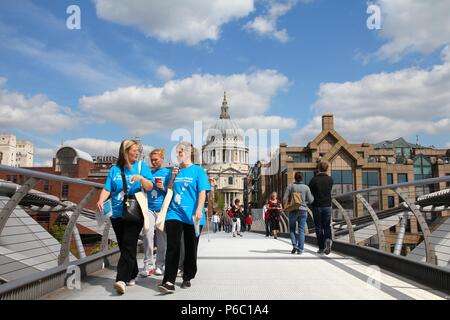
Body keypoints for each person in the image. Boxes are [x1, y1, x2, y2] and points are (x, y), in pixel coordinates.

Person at [96, 139, 154, 295]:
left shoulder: (141, 167)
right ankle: (133, 272)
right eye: (134, 150)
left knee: (128, 245)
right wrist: (101, 200)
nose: (137, 152)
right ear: (125, 151)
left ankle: (120, 279)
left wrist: (141, 179)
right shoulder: (115, 169)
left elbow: (150, 186)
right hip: (116, 213)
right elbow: (108, 188)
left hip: (134, 212)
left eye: (138, 150)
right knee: (124, 246)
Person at [159, 142, 211, 294]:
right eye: (177, 152)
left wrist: (199, 209)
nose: (178, 154)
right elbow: (168, 190)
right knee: (173, 245)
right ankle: (168, 280)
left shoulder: (198, 171)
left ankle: (187, 276)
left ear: (188, 154)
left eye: (181, 152)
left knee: (190, 247)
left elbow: (203, 192)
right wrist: (173, 177)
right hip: (174, 213)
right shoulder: (173, 171)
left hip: (193, 215)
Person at [139, 148, 173, 277]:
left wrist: (163, 188)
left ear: (162, 159)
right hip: (149, 208)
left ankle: (160, 265)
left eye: (156, 160)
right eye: (152, 160)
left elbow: (171, 191)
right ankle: (148, 265)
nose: (154, 162)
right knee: (147, 234)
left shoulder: (168, 173)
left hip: (162, 209)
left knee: (161, 238)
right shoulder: (148, 172)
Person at [283, 172, 314, 255]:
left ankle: (294, 245)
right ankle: (300, 250)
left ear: (295, 178)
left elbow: (284, 198)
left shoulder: (290, 186)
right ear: (302, 178)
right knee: (301, 230)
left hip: (293, 209)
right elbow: (311, 200)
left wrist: (287, 206)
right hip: (303, 210)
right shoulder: (306, 187)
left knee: (292, 229)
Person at [308, 161, 334, 255]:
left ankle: (321, 248)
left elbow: (309, 191)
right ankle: (328, 239)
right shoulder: (330, 179)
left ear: (318, 168)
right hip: (327, 205)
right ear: (327, 169)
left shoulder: (314, 180)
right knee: (327, 225)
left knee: (318, 227)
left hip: (317, 206)